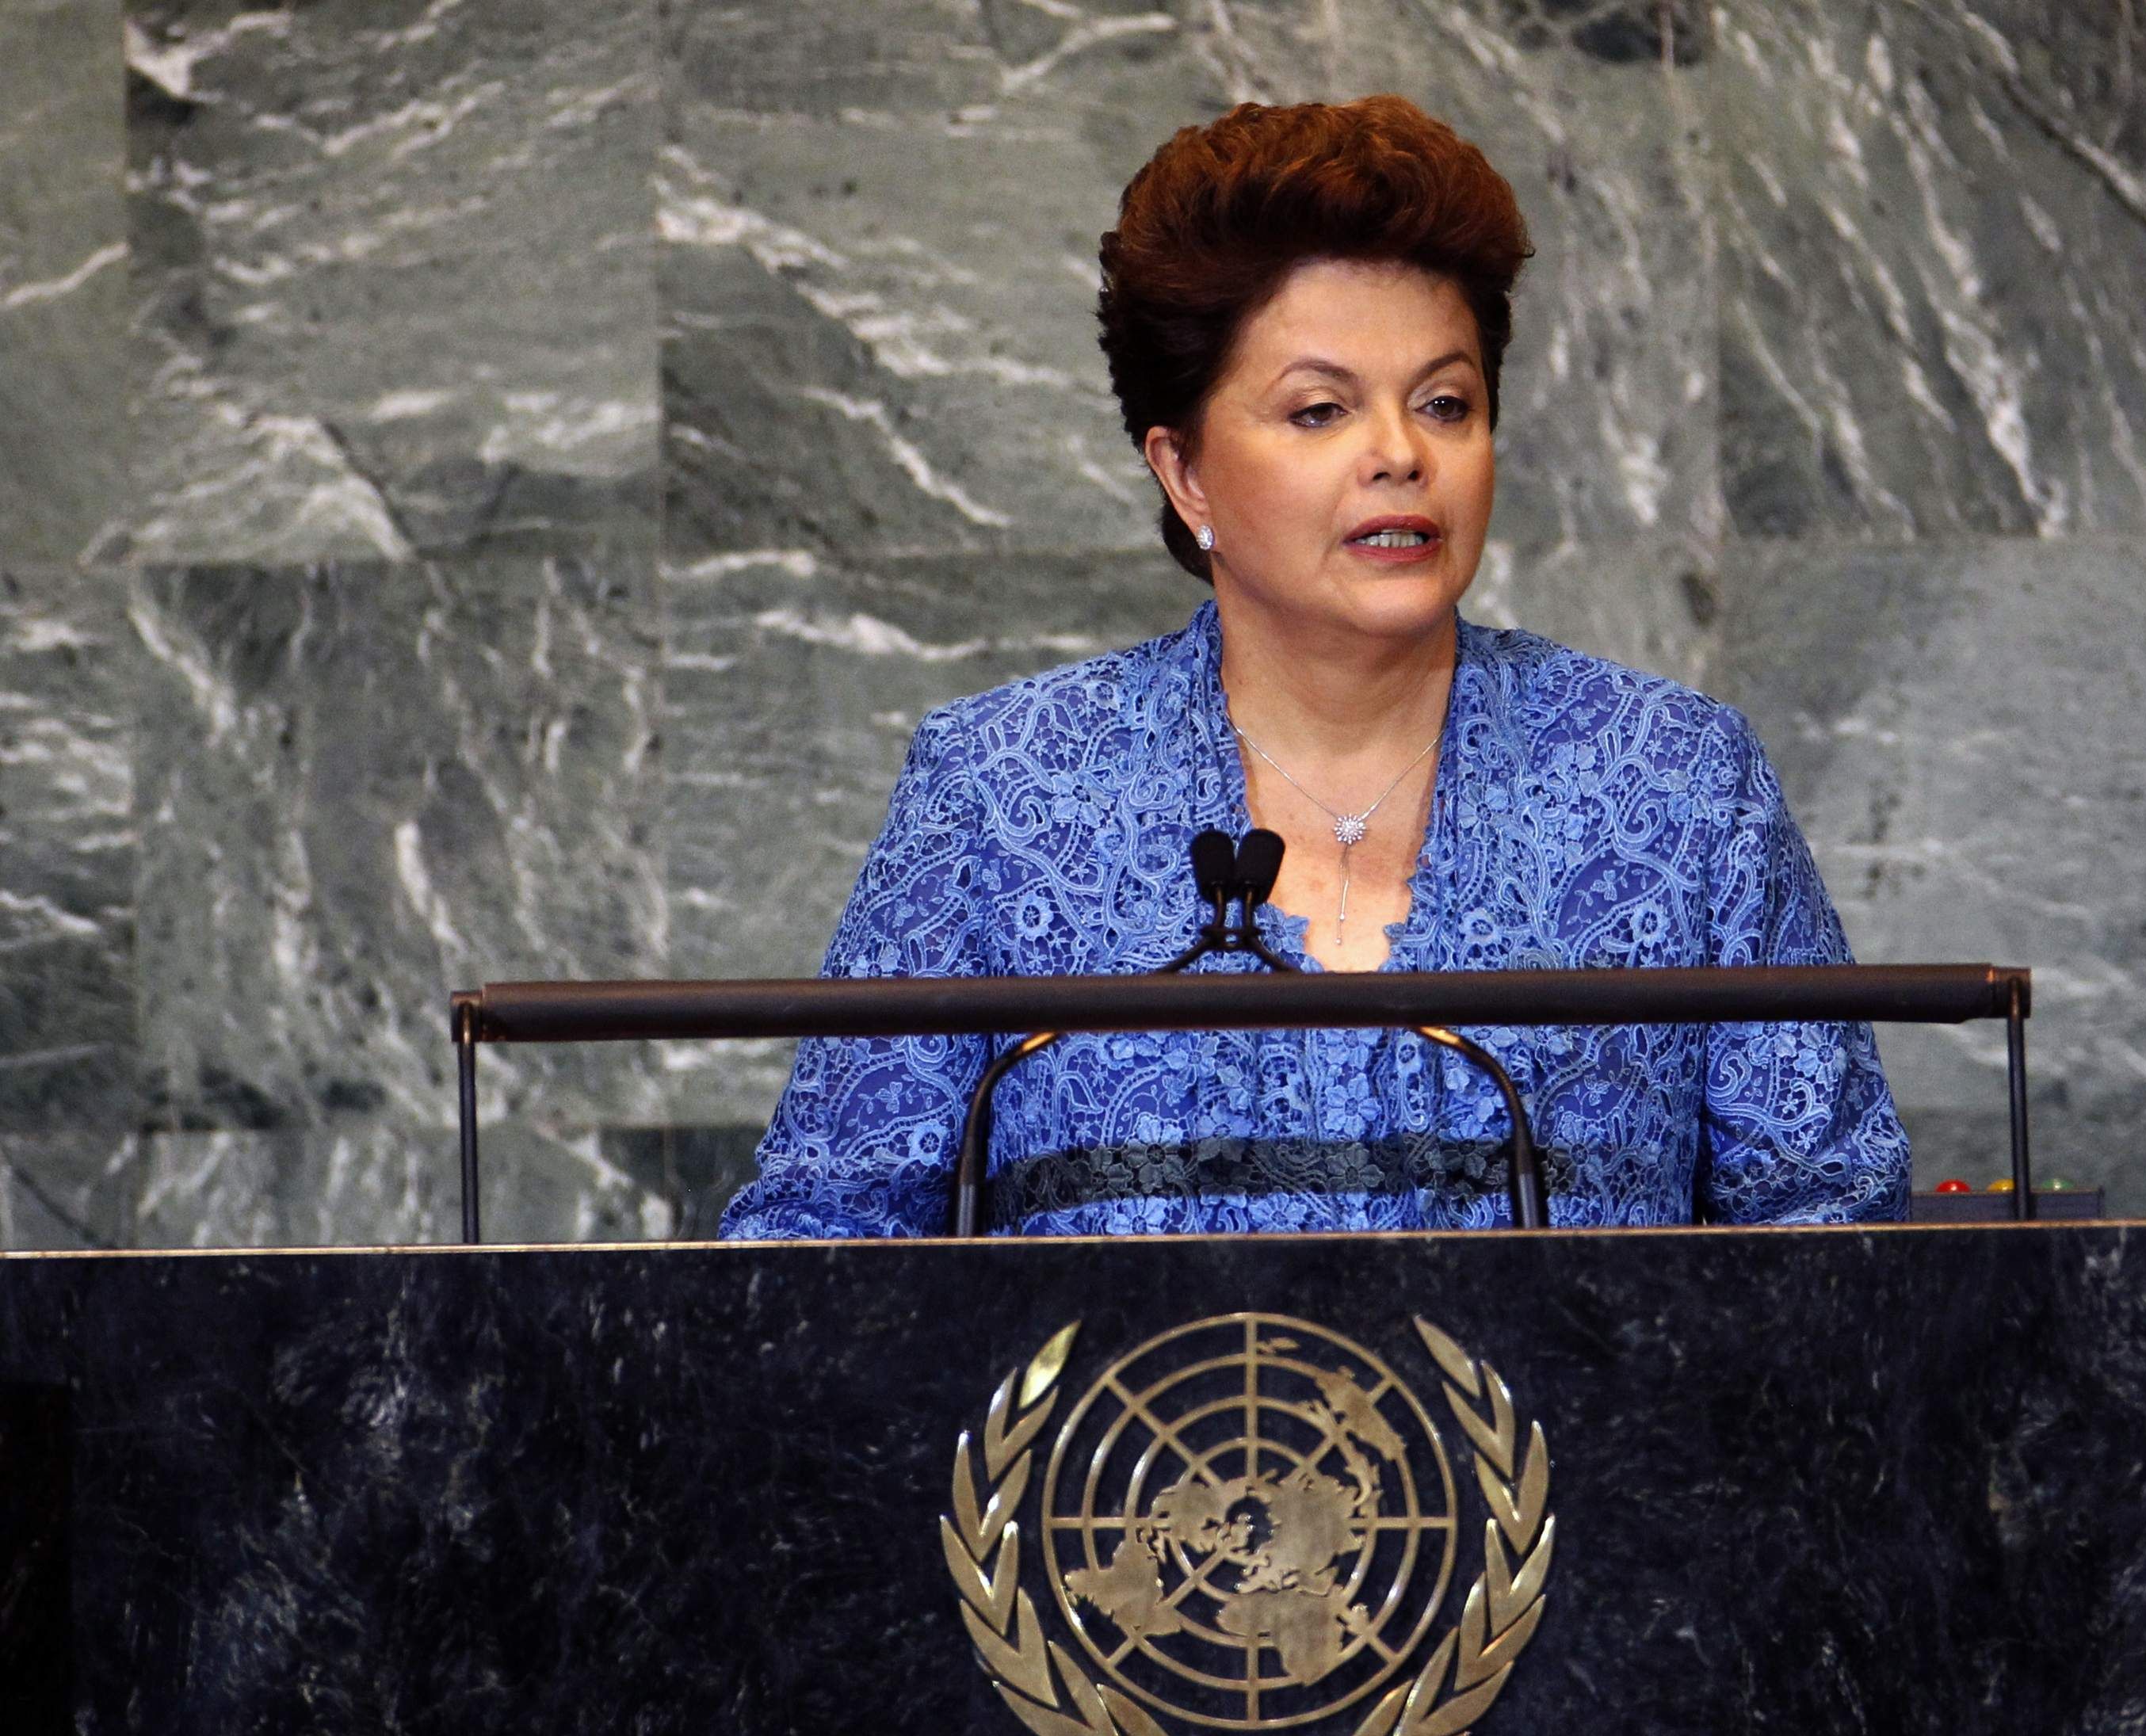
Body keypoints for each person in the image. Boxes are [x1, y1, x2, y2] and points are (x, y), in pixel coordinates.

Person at [720, 96, 1907, 1239]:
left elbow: (1839, 1241)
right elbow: (818, 1257)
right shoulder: (1002, 790)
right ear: (1185, 474)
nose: (1400, 455)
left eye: (1446, 403)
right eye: (1320, 411)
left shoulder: (1676, 780)